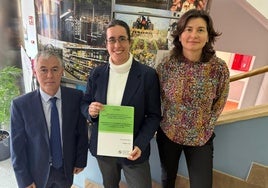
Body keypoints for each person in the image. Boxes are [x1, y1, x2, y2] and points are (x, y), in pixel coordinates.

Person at [81, 19, 161, 188]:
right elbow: (85, 103)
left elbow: (154, 116)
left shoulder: (147, 75)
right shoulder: (96, 74)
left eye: (122, 39)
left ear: (129, 42)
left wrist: (140, 143)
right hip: (105, 149)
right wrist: (90, 110)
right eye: (112, 40)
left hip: (134, 150)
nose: (117, 45)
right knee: (110, 185)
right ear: (106, 44)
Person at [156, 9, 230, 188]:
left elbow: (220, 100)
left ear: (208, 36)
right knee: (167, 179)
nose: (193, 35)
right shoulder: (166, 65)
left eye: (200, 30)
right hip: (169, 134)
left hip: (201, 138)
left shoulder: (218, 68)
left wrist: (207, 125)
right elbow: (154, 97)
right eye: (188, 29)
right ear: (180, 35)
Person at [10, 49, 88, 188]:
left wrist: (81, 160)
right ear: (35, 72)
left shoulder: (75, 97)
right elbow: (17, 148)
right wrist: (24, 180)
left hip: (66, 169)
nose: (49, 75)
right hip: (37, 173)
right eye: (43, 70)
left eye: (55, 69)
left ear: (62, 71)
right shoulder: (21, 105)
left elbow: (81, 132)